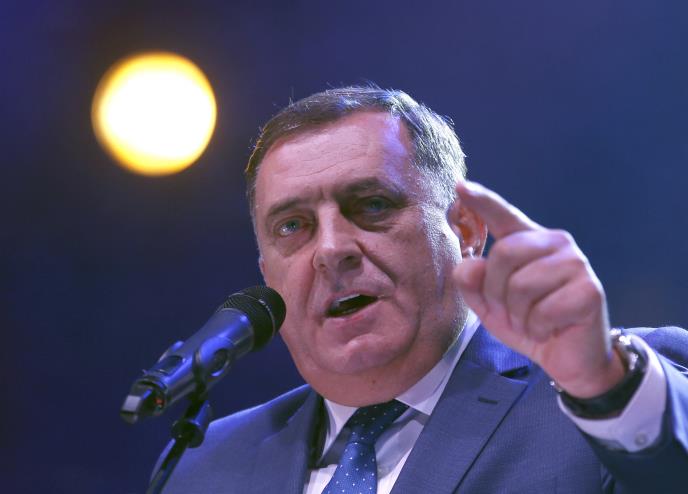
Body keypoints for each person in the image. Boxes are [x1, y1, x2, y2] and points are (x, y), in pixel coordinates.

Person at [162, 86, 688, 493]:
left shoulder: (612, 393)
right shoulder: (205, 466)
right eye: (293, 226)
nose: (331, 249)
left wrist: (605, 384)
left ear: (466, 230)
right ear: (266, 273)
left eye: (372, 205)